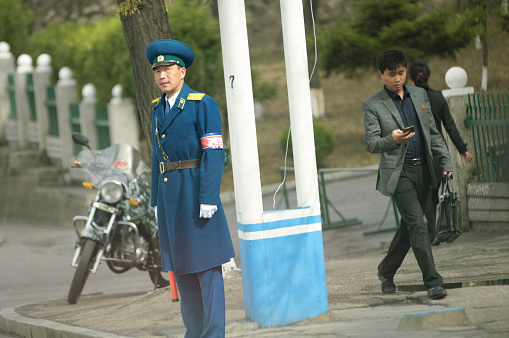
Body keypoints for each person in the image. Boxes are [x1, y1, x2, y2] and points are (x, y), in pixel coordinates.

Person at [146, 39, 235, 337]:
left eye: (168, 68)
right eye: (157, 70)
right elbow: (157, 156)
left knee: (207, 269)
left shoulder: (202, 104)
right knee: (182, 268)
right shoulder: (157, 109)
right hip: (171, 199)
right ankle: (194, 332)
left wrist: (209, 195)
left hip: (196, 192)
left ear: (182, 71)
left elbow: (214, 151)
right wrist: (155, 196)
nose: (162, 75)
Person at [363, 49, 453, 300]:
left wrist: (445, 162)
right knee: (419, 226)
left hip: (425, 169)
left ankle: (386, 270)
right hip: (399, 174)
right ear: (381, 74)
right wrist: (391, 139)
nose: (397, 78)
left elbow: (433, 133)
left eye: (401, 73)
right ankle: (433, 282)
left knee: (417, 226)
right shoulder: (372, 105)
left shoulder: (419, 94)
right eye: (391, 74)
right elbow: (370, 143)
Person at [409, 60, 472, 243]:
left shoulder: (409, 100)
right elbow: (450, 127)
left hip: (419, 155)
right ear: (428, 76)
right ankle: (439, 229)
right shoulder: (438, 98)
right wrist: (463, 150)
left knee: (426, 193)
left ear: (411, 79)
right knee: (437, 192)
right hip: (439, 154)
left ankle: (433, 231)